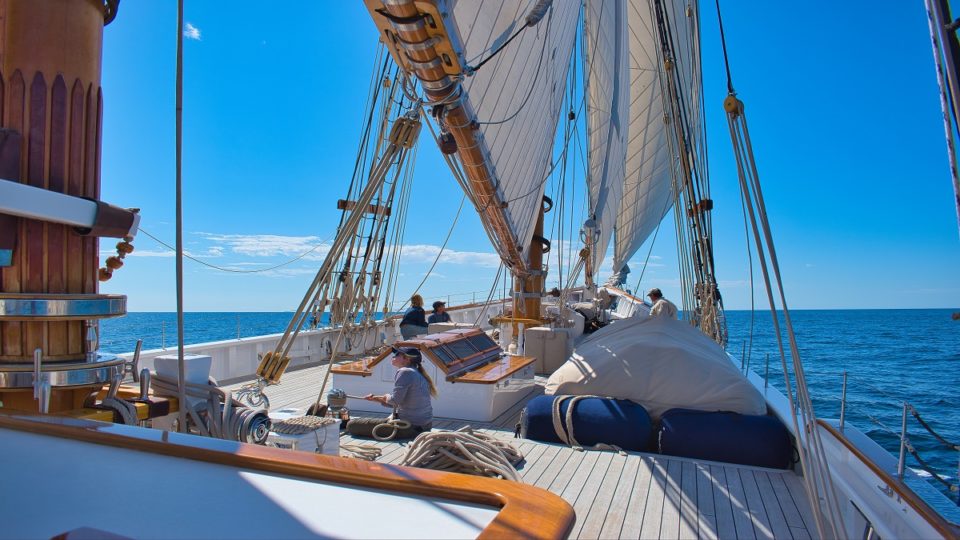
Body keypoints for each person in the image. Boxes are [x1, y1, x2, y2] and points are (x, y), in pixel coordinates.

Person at [346, 346, 437, 439]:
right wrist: (375, 398)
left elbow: (394, 401)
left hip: (410, 428)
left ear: (407, 359)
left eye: (397, 354)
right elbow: (400, 402)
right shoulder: (416, 372)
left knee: (352, 425)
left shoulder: (405, 372)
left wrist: (386, 396)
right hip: (423, 426)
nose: (393, 356)